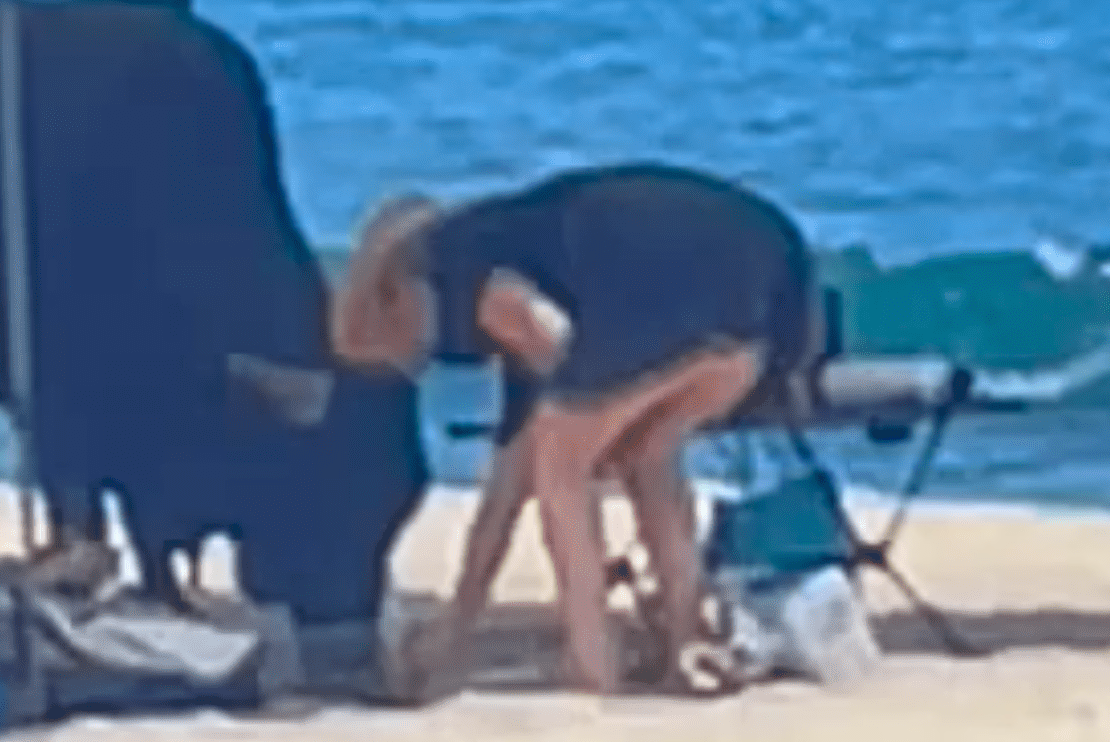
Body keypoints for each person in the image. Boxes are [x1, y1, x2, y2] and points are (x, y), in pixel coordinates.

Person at [327, 163, 822, 698]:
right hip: (766, 307)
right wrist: (461, 618)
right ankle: (684, 643)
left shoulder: (460, 263)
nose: (419, 357)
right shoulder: (509, 239)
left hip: (686, 300)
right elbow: (511, 471)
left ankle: (593, 664)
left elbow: (554, 354)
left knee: (562, 471)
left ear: (398, 286)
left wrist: (460, 623)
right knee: (649, 455)